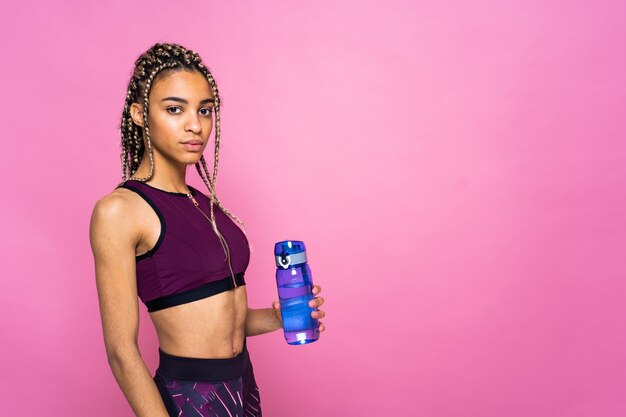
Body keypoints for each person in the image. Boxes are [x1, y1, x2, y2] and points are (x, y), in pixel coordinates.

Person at [89, 42, 326, 417]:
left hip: (243, 387)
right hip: (190, 398)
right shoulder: (120, 211)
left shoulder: (204, 203)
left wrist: (277, 318)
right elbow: (121, 352)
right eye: (174, 109)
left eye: (205, 110)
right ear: (138, 114)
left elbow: (215, 315)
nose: (195, 125)